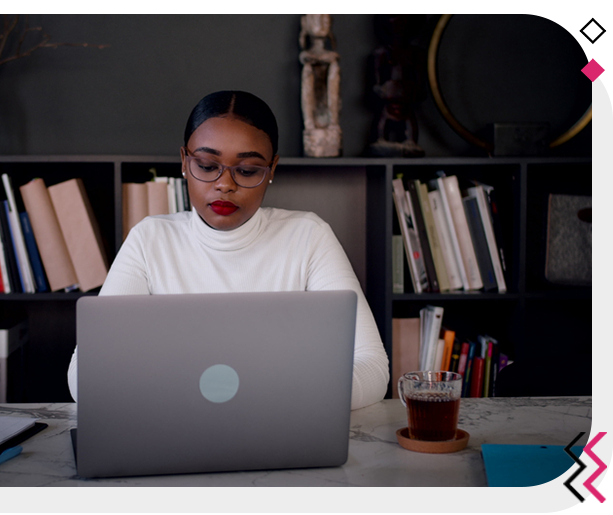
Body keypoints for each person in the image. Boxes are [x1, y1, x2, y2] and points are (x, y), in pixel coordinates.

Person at [67, 90, 389, 410]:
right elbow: (85, 376)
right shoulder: (150, 241)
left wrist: (267, 399)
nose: (225, 184)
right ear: (184, 161)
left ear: (272, 169)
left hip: (277, 430)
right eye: (207, 166)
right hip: (177, 432)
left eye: (247, 170)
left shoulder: (308, 237)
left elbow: (372, 367)